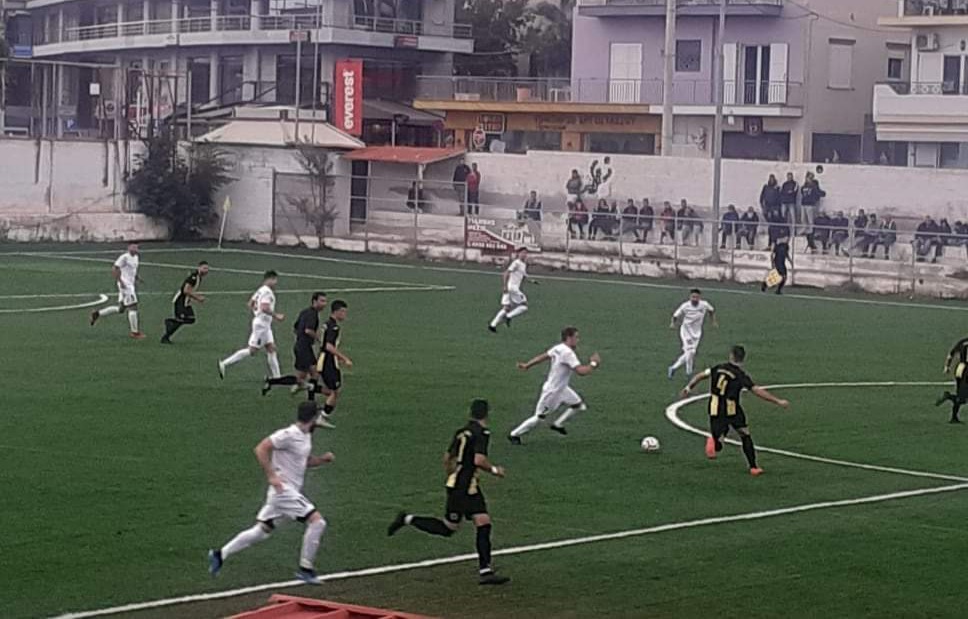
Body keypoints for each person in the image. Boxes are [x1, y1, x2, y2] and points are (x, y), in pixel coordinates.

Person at [386, 399, 510, 586]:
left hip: (457, 484)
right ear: (487, 414)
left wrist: (452, 475)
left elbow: (447, 458)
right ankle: (485, 570)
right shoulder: (482, 433)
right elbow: (478, 460)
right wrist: (494, 470)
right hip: (466, 487)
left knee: (461, 525)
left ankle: (407, 519)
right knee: (470, 524)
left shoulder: (461, 432)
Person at [208, 401, 333, 584]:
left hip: (284, 493)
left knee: (261, 531)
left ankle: (220, 554)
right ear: (313, 417)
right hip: (284, 491)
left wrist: (322, 460)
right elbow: (261, 448)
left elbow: (302, 462)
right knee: (317, 522)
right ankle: (305, 568)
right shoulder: (288, 434)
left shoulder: (305, 436)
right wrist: (272, 476)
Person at [680, 345, 790, 476]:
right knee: (744, 434)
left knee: (719, 444)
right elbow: (756, 390)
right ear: (743, 359)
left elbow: (701, 375)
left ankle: (715, 440)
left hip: (715, 408)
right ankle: (753, 467)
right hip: (732, 408)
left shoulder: (718, 368)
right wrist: (777, 401)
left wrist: (688, 388)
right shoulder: (740, 375)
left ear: (731, 355)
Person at [508, 327, 601, 443]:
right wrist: (593, 364)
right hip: (553, 392)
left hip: (562, 389)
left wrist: (528, 365)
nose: (578, 340)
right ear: (569, 338)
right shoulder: (568, 353)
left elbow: (544, 356)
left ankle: (557, 424)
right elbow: (581, 372)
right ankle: (514, 434)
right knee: (539, 418)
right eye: (576, 337)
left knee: (579, 405)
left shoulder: (559, 348)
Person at [261, 292, 329, 407]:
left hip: (301, 346)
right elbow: (308, 330)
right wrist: (319, 339)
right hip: (304, 348)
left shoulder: (305, 312)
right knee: (311, 374)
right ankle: (311, 401)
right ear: (314, 301)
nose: (324, 304)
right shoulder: (312, 314)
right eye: (322, 301)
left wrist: (301, 338)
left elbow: (296, 328)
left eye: (325, 301)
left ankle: (272, 381)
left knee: (305, 376)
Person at [218, 270, 285, 381]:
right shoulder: (267, 292)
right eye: (274, 280)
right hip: (262, 325)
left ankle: (277, 378)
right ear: (269, 279)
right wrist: (276, 315)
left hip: (263, 324)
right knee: (252, 350)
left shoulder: (260, 290)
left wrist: (256, 311)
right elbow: (264, 307)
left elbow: (250, 303)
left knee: (271, 348)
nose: (276, 282)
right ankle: (225, 363)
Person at [308, 300, 353, 427]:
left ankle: (310, 387)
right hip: (328, 361)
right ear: (337, 312)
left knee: (333, 390)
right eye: (343, 312)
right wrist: (344, 358)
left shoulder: (326, 324)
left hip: (324, 358)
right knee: (335, 391)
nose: (344, 315)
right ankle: (322, 417)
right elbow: (328, 346)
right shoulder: (334, 327)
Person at [90, 242, 145, 339]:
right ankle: (134, 332)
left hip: (130, 284)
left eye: (136, 247)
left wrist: (137, 277)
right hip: (126, 286)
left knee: (121, 309)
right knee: (133, 306)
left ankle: (97, 314)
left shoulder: (136, 257)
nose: (135, 248)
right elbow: (115, 268)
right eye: (133, 246)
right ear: (129, 247)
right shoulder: (124, 257)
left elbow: (132, 270)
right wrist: (120, 281)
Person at [668, 289, 717, 380]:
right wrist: (672, 324)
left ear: (699, 297)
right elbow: (675, 316)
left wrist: (713, 321)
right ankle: (689, 373)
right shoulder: (685, 306)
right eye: (693, 297)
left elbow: (711, 310)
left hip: (697, 333)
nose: (694, 299)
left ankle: (673, 368)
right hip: (686, 332)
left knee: (690, 353)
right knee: (691, 352)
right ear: (690, 297)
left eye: (696, 297)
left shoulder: (704, 305)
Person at [161, 261, 209, 344]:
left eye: (207, 269)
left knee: (190, 319)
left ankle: (168, 328)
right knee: (182, 319)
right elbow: (186, 290)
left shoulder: (198, 278)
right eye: (204, 268)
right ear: (199, 267)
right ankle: (167, 332)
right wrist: (197, 297)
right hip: (180, 301)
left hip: (186, 302)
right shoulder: (193, 277)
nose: (206, 270)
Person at [489, 247, 531, 332]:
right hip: (512, 288)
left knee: (506, 307)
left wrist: (532, 281)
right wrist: (505, 286)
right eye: (522, 253)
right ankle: (508, 316)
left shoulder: (523, 264)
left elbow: (523, 276)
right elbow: (506, 273)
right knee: (524, 305)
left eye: (526, 253)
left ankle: (492, 325)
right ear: (518, 253)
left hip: (511, 288)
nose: (524, 254)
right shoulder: (516, 263)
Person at [938, 337, 968, 423]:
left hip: (960, 369)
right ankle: (948, 396)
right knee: (962, 398)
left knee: (960, 395)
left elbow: (951, 355)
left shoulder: (963, 341)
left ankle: (954, 417)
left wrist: (947, 366)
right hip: (967, 372)